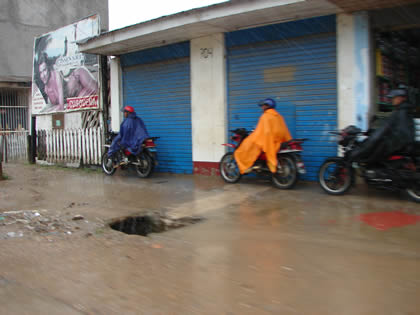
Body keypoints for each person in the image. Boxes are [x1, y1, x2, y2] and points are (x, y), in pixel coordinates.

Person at [349, 88, 415, 162]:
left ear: (401, 98)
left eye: (394, 98)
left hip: (397, 146)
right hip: (403, 145)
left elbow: (384, 129)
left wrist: (371, 140)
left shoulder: (399, 113)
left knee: (372, 151)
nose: (392, 100)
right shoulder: (405, 111)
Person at [234, 98, 292, 174]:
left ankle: (247, 165)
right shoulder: (279, 116)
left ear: (267, 106)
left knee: (247, 144)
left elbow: (263, 131)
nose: (262, 107)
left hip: (269, 140)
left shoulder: (265, 116)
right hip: (279, 140)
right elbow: (283, 129)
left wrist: (255, 134)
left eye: (263, 105)